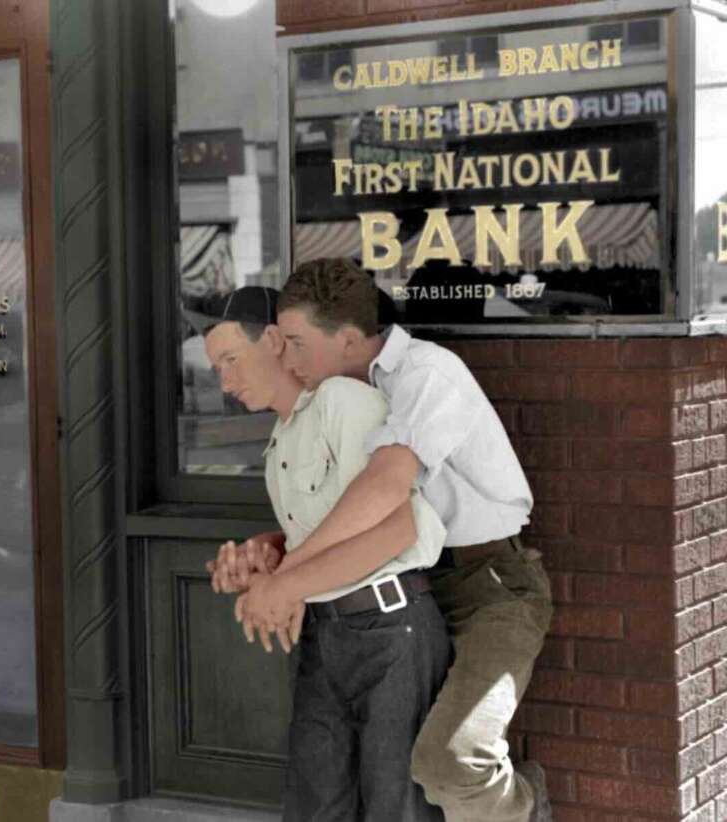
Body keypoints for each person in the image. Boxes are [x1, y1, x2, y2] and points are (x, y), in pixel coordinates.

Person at [233, 258, 553, 822]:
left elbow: (384, 489)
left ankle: (525, 807)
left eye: (299, 344)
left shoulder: (426, 374)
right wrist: (278, 548)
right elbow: (347, 515)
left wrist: (286, 582)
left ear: (350, 339)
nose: (288, 359)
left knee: (449, 763)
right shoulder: (342, 399)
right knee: (386, 785)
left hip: (489, 588)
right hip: (412, 592)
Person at [199, 286, 450, 821]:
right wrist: (261, 559)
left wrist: (283, 582)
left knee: (396, 807)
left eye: (230, 360)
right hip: (326, 634)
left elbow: (396, 526)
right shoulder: (280, 443)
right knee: (316, 806)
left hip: (390, 630)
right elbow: (323, 538)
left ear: (272, 341)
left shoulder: (343, 400)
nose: (224, 381)